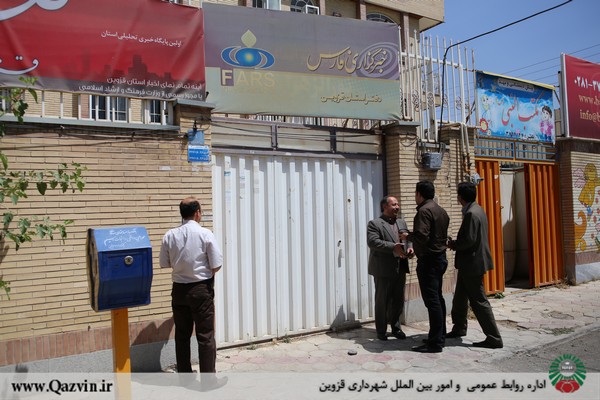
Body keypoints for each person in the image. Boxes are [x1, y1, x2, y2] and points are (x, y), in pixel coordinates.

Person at [159, 196, 227, 390]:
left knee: (182, 335)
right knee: (205, 335)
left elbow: (164, 263)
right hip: (200, 290)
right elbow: (216, 265)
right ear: (197, 213)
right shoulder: (205, 234)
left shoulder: (170, 235)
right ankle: (208, 382)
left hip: (179, 290)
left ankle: (185, 377)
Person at [447, 182, 503, 349]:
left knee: (479, 301)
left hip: (472, 263)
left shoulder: (471, 213)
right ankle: (459, 327)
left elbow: (469, 240)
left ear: (460, 197)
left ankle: (494, 337)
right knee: (460, 299)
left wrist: (453, 244)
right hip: (469, 263)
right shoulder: (477, 209)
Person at [400, 181, 449, 353]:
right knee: (438, 298)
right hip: (440, 259)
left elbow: (422, 236)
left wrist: (407, 236)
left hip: (429, 261)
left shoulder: (423, 211)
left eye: (415, 193)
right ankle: (439, 335)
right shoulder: (440, 210)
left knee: (432, 301)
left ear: (419, 194)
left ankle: (435, 342)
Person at [367, 196, 414, 341]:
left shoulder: (401, 222)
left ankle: (396, 328)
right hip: (383, 268)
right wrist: (393, 247)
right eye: (394, 205)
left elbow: (407, 239)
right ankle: (381, 330)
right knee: (382, 301)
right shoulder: (375, 224)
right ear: (384, 207)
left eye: (397, 204)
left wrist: (410, 248)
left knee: (398, 300)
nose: (397, 207)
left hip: (400, 267)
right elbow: (373, 242)